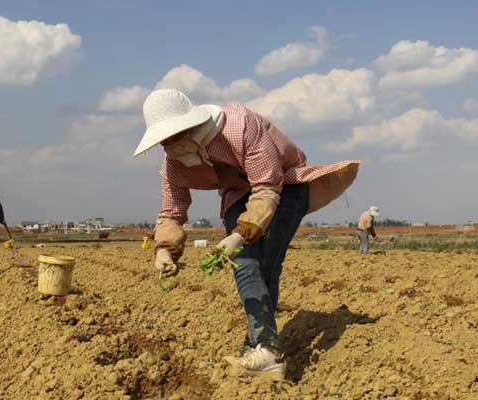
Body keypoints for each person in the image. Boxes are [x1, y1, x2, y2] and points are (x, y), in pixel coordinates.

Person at [133, 89, 360, 378]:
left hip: (283, 186)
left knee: (265, 263)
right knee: (244, 264)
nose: (169, 146)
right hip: (236, 194)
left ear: (191, 126)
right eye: (164, 141)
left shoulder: (239, 125)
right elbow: (171, 211)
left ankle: (263, 348)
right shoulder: (173, 165)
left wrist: (239, 235)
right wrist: (165, 249)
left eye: (173, 137)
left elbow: (266, 187)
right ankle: (260, 349)